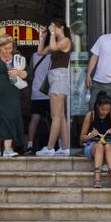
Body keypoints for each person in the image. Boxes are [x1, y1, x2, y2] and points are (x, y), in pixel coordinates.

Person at [38, 19, 73, 157]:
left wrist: (52, 34)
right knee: (61, 116)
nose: (52, 30)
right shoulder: (56, 42)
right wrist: (43, 37)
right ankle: (65, 147)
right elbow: (40, 52)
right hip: (55, 79)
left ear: (61, 28)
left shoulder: (66, 41)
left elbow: (53, 48)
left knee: (55, 116)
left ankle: (50, 147)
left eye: (54, 27)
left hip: (59, 79)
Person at [79, 92, 111, 189]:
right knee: (99, 146)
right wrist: (90, 136)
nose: (105, 112)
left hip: (108, 143)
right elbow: (82, 138)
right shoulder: (91, 115)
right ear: (98, 107)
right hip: (92, 144)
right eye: (103, 109)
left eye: (108, 110)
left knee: (108, 146)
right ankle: (97, 179)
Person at [25, 51, 51, 155]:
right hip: (50, 91)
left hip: (37, 92)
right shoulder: (53, 55)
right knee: (53, 120)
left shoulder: (34, 55)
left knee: (34, 119)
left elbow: (30, 73)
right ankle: (57, 144)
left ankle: (30, 146)